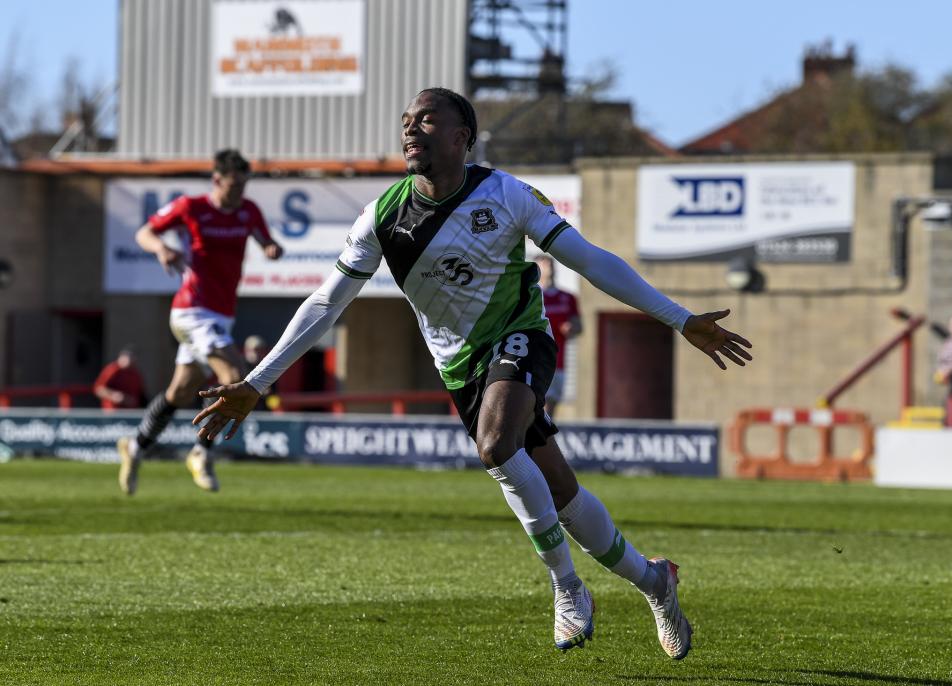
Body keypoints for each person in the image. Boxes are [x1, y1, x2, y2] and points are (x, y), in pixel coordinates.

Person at [193, 89, 752, 657]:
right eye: (407, 121)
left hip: (520, 337)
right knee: (560, 493)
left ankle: (567, 587)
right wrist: (257, 382)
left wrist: (679, 319)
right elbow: (324, 304)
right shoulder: (382, 216)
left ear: (463, 137)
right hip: (459, 369)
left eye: (428, 120)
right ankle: (655, 580)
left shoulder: (505, 194)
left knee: (495, 445)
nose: (412, 129)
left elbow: (588, 260)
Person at [116, 149, 283, 495]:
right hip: (191, 310)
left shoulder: (248, 211)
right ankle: (201, 452)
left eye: (244, 186)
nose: (239, 193)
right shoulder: (191, 207)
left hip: (222, 313)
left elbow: (266, 240)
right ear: (217, 180)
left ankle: (135, 447)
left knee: (179, 392)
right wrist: (161, 249)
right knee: (235, 377)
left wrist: (271, 248)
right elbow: (144, 233)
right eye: (233, 186)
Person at [535, 254, 582, 416]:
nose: (549, 267)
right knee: (537, 404)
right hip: (536, 359)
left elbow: (579, 326)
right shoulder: (532, 296)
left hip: (558, 361)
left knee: (551, 408)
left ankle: (542, 439)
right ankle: (534, 439)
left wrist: (572, 328)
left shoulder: (568, 298)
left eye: (551, 264)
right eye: (544, 264)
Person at [935, 313, 952, 424]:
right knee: (950, 400)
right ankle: (947, 421)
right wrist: (943, 370)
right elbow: (943, 359)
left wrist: (950, 369)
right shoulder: (949, 344)